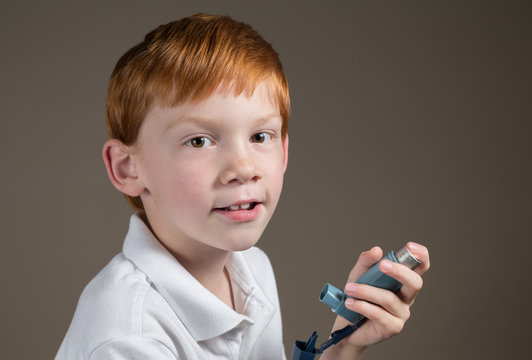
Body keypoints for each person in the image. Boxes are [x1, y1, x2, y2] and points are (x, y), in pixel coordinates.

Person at [56, 14, 430, 360]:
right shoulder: (128, 338)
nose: (243, 168)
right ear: (127, 168)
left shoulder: (252, 268)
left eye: (260, 135)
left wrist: (344, 344)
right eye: (199, 141)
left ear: (283, 150)